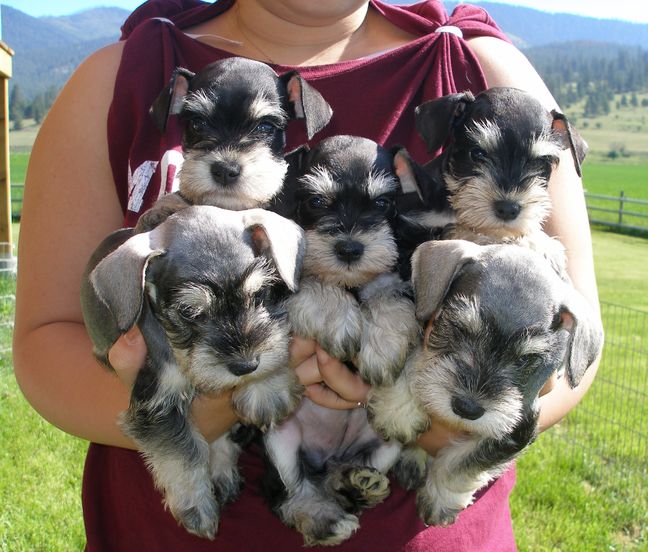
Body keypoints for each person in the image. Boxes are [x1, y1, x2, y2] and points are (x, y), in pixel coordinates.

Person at [13, 0, 602, 550]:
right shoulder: (121, 77)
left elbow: (576, 341)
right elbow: (46, 343)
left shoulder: (482, 66)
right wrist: (202, 411)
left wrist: (441, 421)